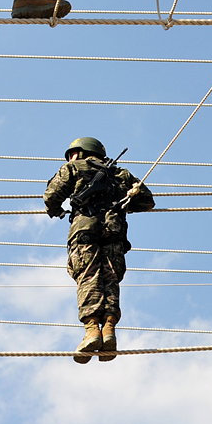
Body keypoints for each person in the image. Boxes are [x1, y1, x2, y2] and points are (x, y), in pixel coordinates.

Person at [43, 136, 155, 363]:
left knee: (88, 276)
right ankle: (109, 331)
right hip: (114, 232)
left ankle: (92, 331)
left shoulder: (73, 167)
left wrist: (56, 210)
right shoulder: (120, 174)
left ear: (81, 153)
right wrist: (123, 201)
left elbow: (51, 197)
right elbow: (146, 201)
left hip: (85, 229)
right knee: (110, 278)